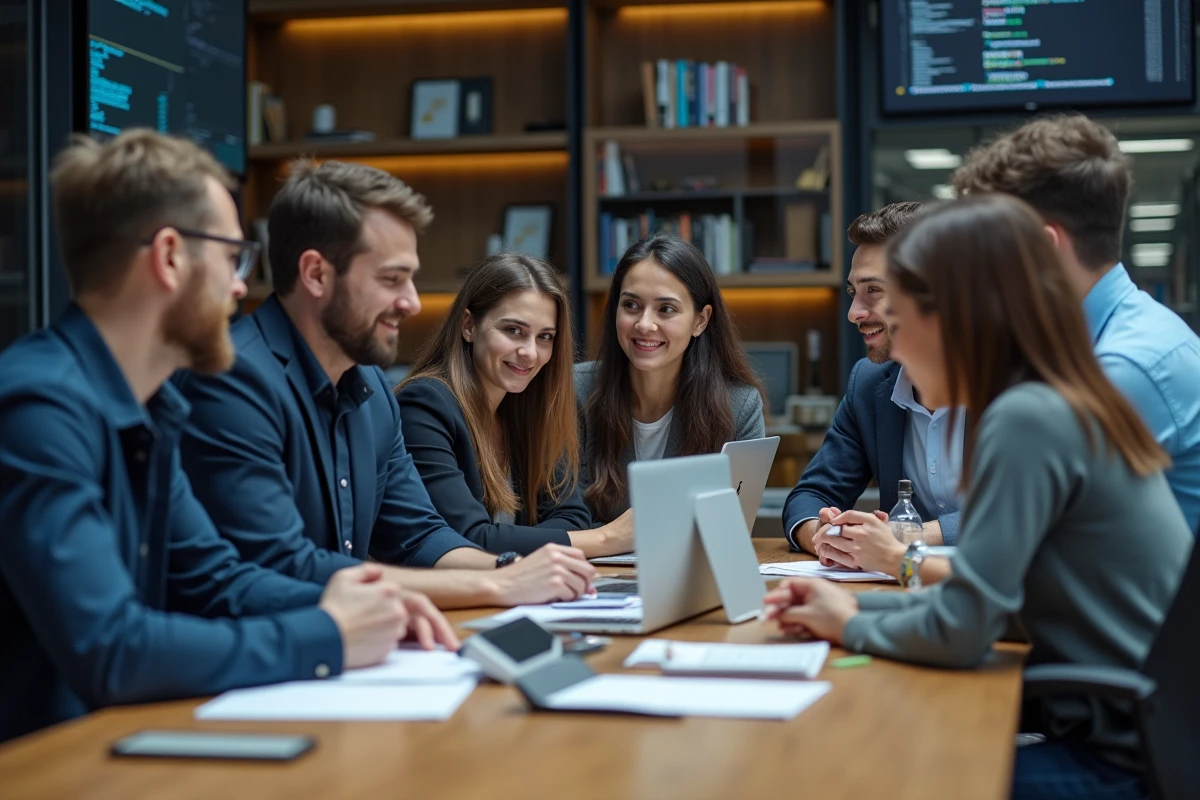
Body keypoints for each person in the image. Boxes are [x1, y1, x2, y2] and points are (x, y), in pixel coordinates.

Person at [0, 130, 454, 743]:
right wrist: (327, 633)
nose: (242, 287)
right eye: (230, 258)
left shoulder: (153, 405)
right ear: (168, 257)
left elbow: (217, 579)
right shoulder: (38, 408)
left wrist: (360, 604)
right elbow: (113, 647)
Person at [764, 194, 1192, 800]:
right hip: (1133, 724)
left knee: (865, 778)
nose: (897, 352)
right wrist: (849, 611)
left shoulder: (1026, 418)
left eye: (902, 320)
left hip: (1128, 757)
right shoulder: (1052, 396)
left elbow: (966, 627)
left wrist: (853, 624)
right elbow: (988, 603)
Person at [176, 159, 595, 609]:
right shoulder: (232, 378)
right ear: (316, 274)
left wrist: (513, 569)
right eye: (391, 279)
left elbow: (420, 536)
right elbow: (285, 566)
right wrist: (499, 585)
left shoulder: (373, 389)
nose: (412, 302)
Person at [953, 113, 1200, 533]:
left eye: (988, 245)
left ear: (1043, 247)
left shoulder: (1122, 369)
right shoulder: (1117, 336)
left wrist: (900, 562)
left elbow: (1025, 556)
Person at [395, 254, 632, 558]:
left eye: (545, 337)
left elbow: (572, 517)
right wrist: (607, 538)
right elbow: (467, 539)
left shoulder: (533, 406)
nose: (530, 353)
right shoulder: (424, 406)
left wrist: (506, 540)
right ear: (469, 326)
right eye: (513, 331)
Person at [782, 202, 968, 583]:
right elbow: (810, 496)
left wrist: (906, 537)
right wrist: (826, 536)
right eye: (854, 291)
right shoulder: (869, 385)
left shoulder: (1017, 383)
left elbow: (1024, 512)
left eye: (873, 291)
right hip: (905, 595)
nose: (854, 311)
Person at [577, 233, 765, 524]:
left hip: (688, 569)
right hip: (588, 568)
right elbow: (564, 519)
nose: (644, 324)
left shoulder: (739, 405)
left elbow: (729, 525)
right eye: (631, 305)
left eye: (666, 309)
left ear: (700, 320)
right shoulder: (575, 391)